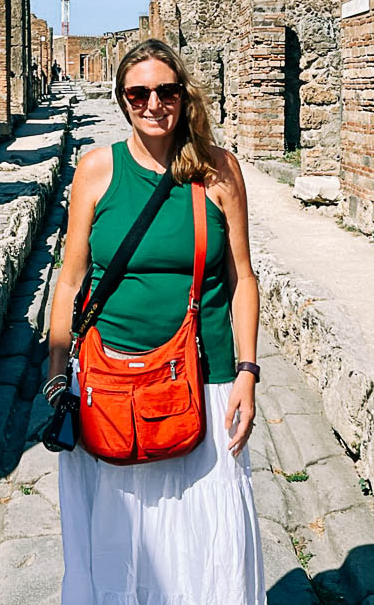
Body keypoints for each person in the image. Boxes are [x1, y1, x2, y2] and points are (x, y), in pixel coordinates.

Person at [45, 38, 266, 604]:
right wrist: (55, 367)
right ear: (122, 99)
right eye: (138, 93)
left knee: (205, 543)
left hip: (204, 377)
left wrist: (247, 372)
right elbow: (70, 280)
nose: (153, 104)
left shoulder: (218, 173)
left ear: (183, 95)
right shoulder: (96, 171)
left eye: (165, 90)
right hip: (108, 380)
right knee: (119, 540)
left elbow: (242, 276)